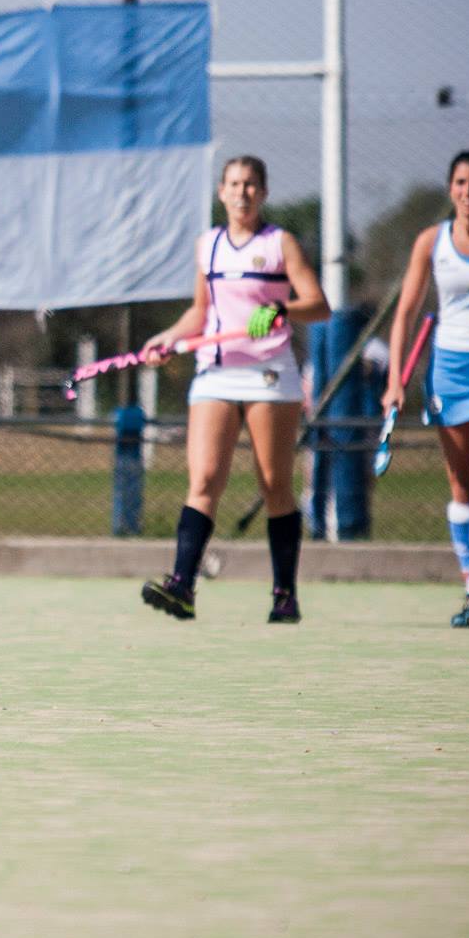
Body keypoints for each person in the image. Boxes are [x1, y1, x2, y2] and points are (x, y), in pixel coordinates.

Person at [139, 155, 330, 623]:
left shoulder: (280, 243)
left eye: (250, 185)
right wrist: (170, 339)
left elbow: (319, 305)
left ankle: (284, 594)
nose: (242, 193)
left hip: (269, 375)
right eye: (233, 184)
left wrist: (282, 310)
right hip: (217, 371)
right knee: (204, 479)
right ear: (221, 192)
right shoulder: (208, 246)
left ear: (262, 193)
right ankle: (183, 585)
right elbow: (199, 312)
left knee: (274, 486)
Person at [384, 150, 469, 628]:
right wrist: (394, 382)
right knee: (460, 484)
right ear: (451, 189)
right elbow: (405, 313)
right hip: (448, 371)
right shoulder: (432, 241)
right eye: (462, 183)